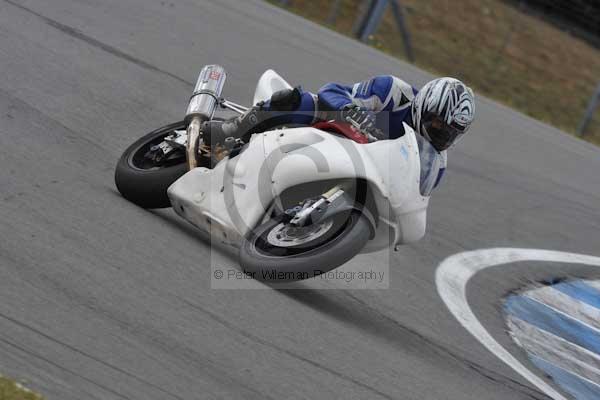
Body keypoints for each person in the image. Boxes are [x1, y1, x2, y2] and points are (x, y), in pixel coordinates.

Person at [202, 75, 475, 194]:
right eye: (438, 124)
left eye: (451, 133)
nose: (441, 135)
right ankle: (232, 129)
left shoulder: (436, 163)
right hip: (334, 132)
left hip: (361, 170)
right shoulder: (394, 92)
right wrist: (353, 111)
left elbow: (412, 194)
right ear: (424, 105)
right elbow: (332, 90)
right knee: (301, 101)